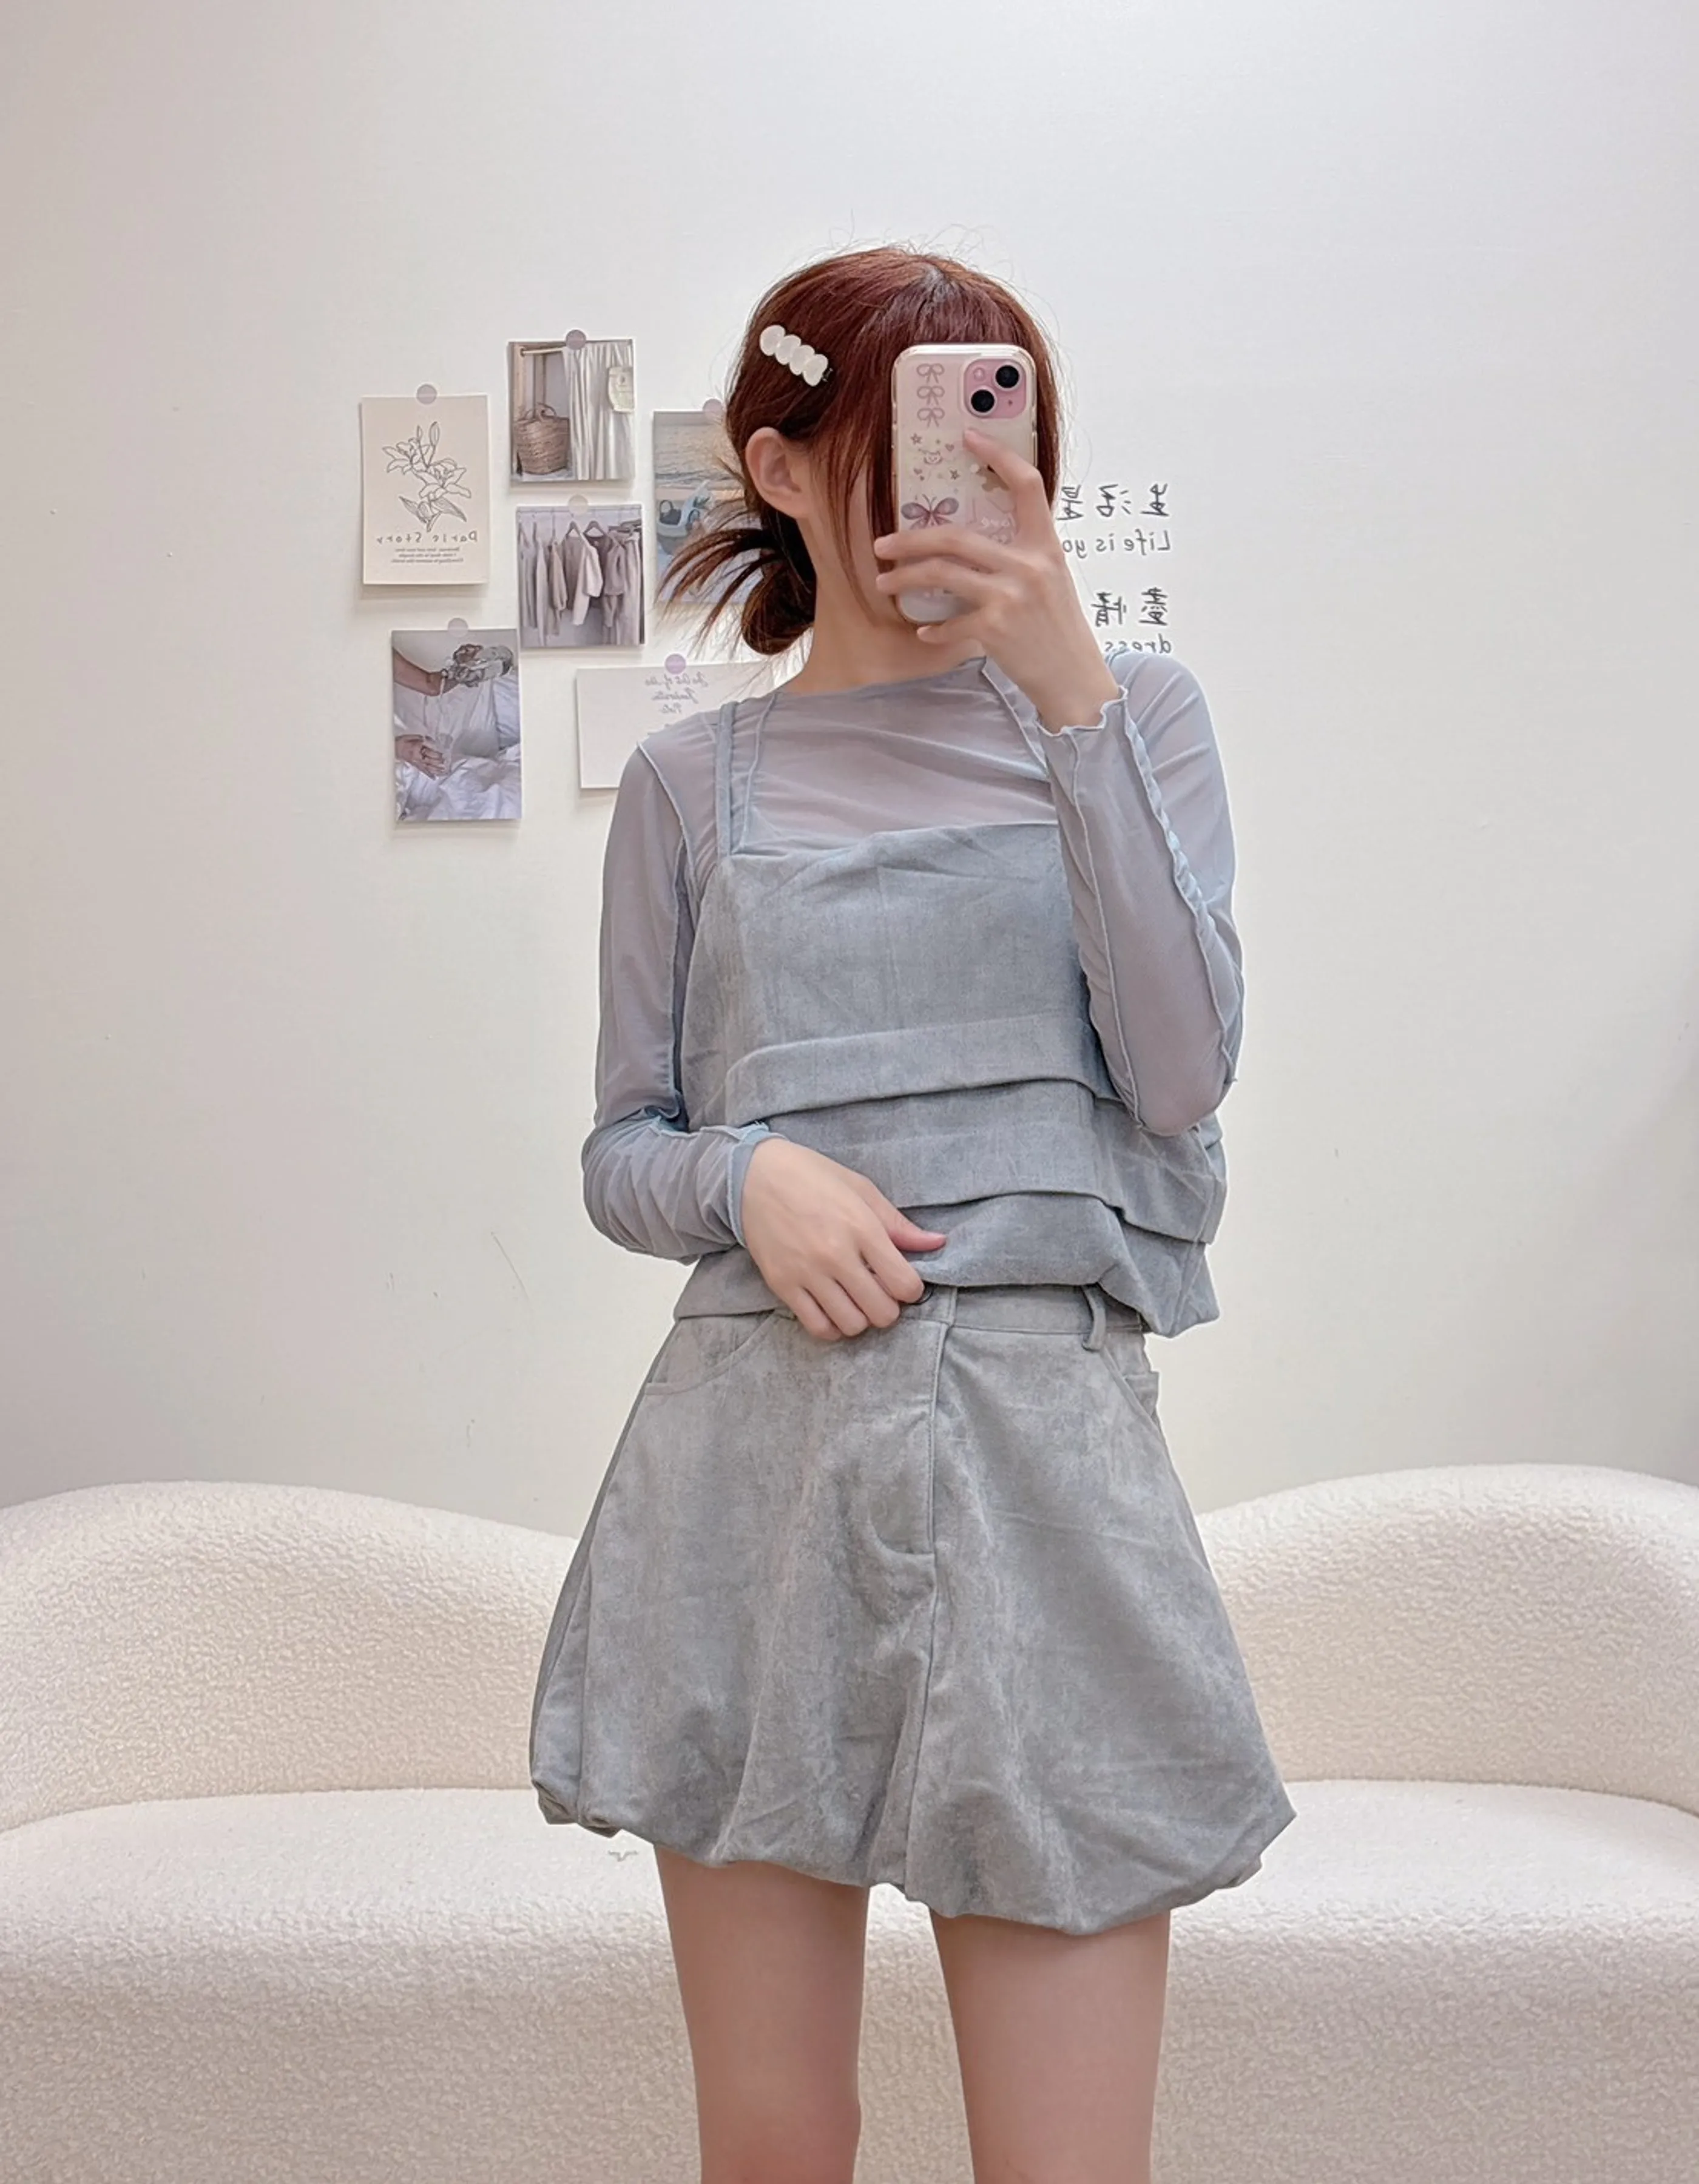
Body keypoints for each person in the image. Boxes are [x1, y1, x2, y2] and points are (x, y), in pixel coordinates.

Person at [530, 245, 1295, 2184]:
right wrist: (746, 1173)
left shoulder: (1137, 717)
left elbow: (1182, 1076)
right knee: (773, 2149)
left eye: (996, 431)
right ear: (782, 465)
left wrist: (1069, 690)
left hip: (1048, 1465)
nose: (964, 479)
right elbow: (624, 1147)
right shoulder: (690, 783)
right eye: (908, 438)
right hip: (750, 1480)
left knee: (1068, 2163)